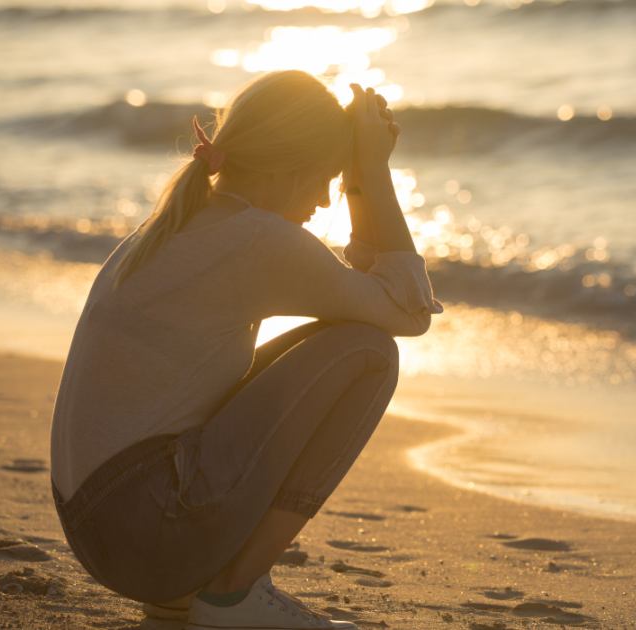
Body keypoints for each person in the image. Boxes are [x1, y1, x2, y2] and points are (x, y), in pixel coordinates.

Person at [49, 70, 442, 630]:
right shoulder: (259, 240)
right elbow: (407, 312)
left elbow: (364, 297)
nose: (326, 197)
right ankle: (232, 595)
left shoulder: (176, 224)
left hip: (103, 529)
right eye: (328, 178)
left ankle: (185, 597)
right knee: (369, 352)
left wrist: (355, 177)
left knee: (343, 339)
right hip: (148, 532)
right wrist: (371, 176)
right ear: (286, 170)